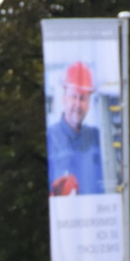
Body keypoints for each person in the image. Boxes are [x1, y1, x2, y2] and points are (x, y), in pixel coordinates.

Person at [46, 61, 104, 196]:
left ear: (89, 103)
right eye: (74, 96)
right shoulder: (50, 137)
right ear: (64, 98)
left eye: (83, 98)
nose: (78, 104)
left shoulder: (98, 138)